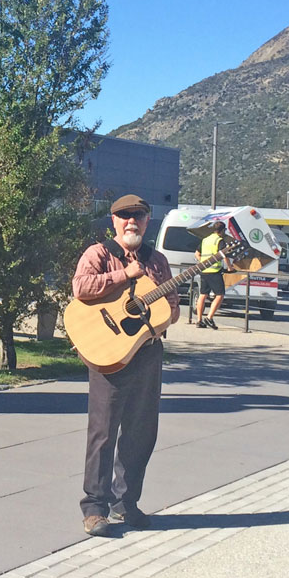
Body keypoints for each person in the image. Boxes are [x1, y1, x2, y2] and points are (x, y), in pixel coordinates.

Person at [72, 194, 180, 537]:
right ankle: (94, 508)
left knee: (141, 430)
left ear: (148, 221)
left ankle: (126, 502)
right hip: (109, 354)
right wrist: (124, 277)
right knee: (103, 432)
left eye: (139, 215)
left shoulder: (158, 261)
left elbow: (173, 308)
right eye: (125, 216)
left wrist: (163, 312)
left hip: (147, 350)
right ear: (114, 221)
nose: (132, 221)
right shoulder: (99, 254)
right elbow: (81, 288)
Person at [195, 220, 232, 329]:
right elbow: (224, 255)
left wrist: (203, 262)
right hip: (215, 271)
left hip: (204, 270)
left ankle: (199, 320)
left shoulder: (205, 240)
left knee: (203, 295)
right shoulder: (220, 240)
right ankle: (209, 317)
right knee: (220, 295)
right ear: (222, 230)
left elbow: (197, 254)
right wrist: (229, 267)